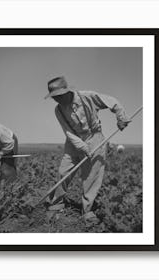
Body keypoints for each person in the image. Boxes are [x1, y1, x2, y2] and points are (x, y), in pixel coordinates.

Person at [45, 76, 131, 221]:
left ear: (66, 92)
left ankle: (87, 211)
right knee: (63, 171)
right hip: (73, 140)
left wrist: (121, 118)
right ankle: (57, 203)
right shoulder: (58, 110)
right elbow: (68, 131)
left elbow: (113, 102)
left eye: (58, 96)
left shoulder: (87, 97)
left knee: (91, 177)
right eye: (53, 97)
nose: (56, 99)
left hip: (94, 137)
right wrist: (82, 146)